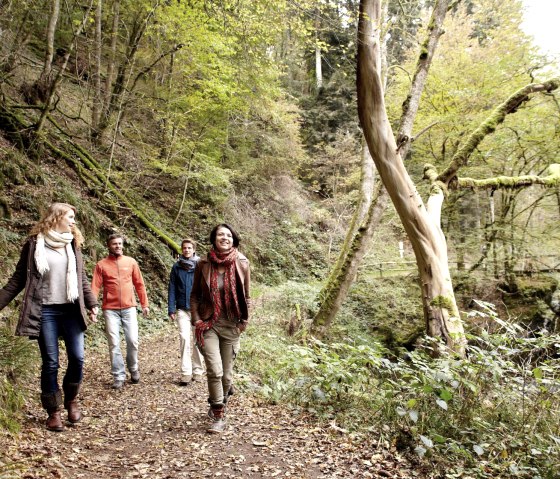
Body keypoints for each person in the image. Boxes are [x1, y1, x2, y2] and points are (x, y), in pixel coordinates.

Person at [0, 203, 98, 432]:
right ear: (57, 217)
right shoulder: (34, 245)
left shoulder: (73, 244)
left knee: (78, 358)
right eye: (70, 217)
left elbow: (81, 278)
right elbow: (17, 280)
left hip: (71, 310)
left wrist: (92, 304)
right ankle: (53, 412)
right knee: (51, 362)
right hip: (45, 311)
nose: (74, 221)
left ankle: (71, 399)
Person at [190, 223, 251, 434]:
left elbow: (247, 297)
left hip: (232, 325)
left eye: (228, 235)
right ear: (214, 239)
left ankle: (221, 399)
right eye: (220, 235)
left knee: (226, 376)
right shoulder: (203, 263)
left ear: (233, 239)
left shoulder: (242, 263)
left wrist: (244, 321)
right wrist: (196, 319)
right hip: (209, 324)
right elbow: (195, 294)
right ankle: (218, 413)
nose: (224, 238)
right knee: (214, 371)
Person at [92, 234, 149, 390]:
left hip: (129, 308)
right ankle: (118, 375)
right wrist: (93, 307)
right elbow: (95, 287)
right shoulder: (101, 265)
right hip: (110, 309)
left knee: (132, 340)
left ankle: (133, 368)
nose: (117, 246)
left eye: (119, 243)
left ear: (123, 245)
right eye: (114, 244)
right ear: (108, 246)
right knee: (114, 344)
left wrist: (144, 304)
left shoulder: (131, 262)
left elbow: (139, 284)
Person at [168, 238, 205, 385]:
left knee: (197, 340)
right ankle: (185, 373)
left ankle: (198, 371)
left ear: (194, 249)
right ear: (181, 250)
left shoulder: (201, 266)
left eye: (189, 248)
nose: (187, 250)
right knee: (184, 338)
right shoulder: (176, 267)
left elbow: (206, 287)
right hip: (182, 309)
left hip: (198, 310)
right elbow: (172, 288)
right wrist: (171, 308)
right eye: (184, 248)